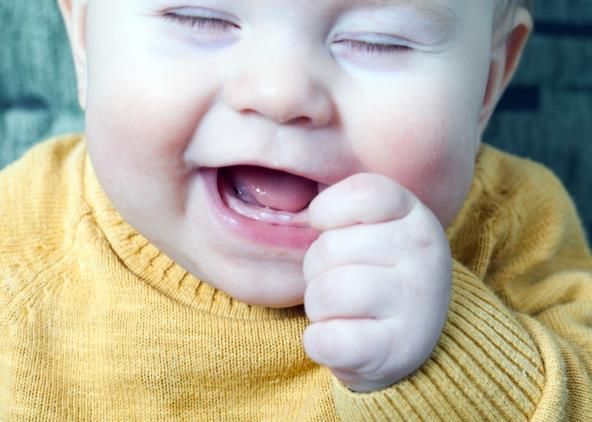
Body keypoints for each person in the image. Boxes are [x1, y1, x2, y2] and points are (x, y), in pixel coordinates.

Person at [1, 0, 590, 420]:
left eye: (379, 40)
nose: (281, 94)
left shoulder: (512, 223)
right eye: (201, 17)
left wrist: (448, 341)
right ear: (84, 40)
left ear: (486, 85)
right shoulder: (19, 239)